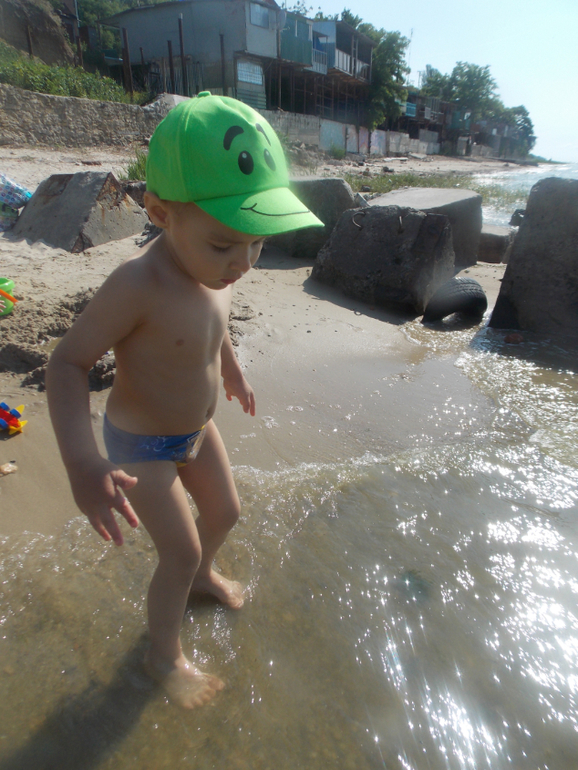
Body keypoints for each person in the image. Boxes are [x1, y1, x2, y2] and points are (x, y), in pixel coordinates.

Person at [46, 92, 322, 709]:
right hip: (137, 447)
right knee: (179, 548)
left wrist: (233, 372)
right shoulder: (137, 284)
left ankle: (200, 579)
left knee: (225, 513)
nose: (242, 263)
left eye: (257, 244)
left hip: (196, 430)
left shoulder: (216, 270)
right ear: (161, 213)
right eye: (225, 245)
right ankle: (163, 656)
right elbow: (67, 364)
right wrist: (83, 463)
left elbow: (213, 328)